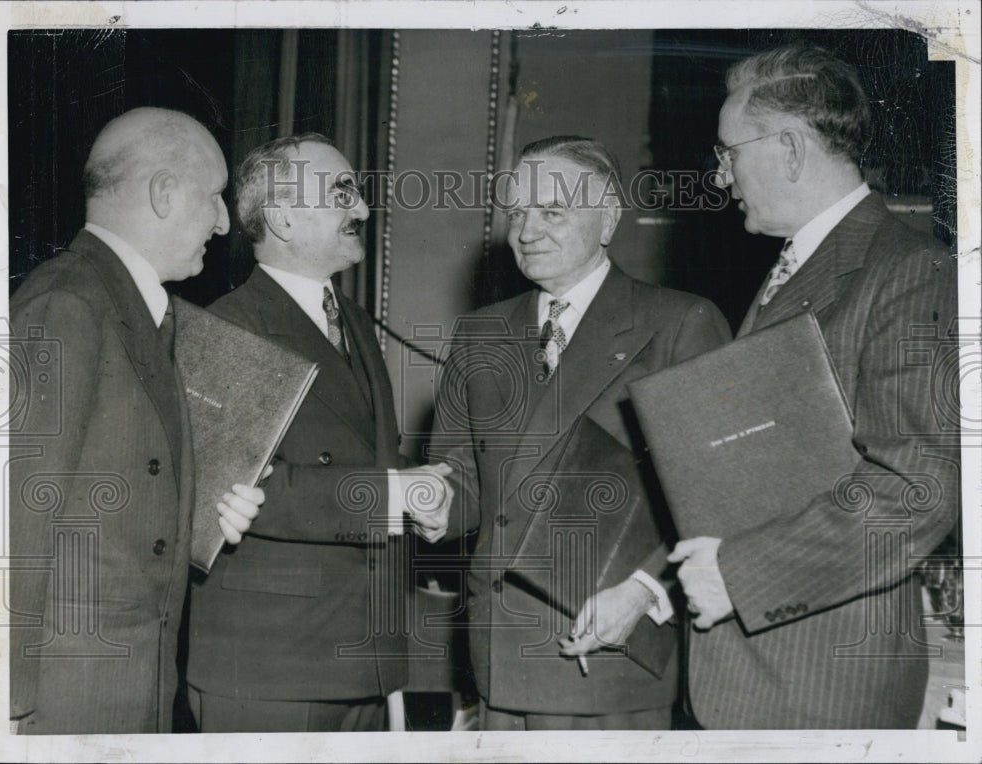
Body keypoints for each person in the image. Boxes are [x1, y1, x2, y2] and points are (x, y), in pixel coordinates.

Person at [668, 44, 960, 729]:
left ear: (791, 150)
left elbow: (916, 490)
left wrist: (738, 575)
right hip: (761, 684)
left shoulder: (910, 272)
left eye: (728, 152)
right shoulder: (801, 269)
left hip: (816, 691)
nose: (719, 177)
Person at [430, 136, 731, 730]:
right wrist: (432, 500)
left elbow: (719, 494)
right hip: (496, 655)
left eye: (552, 211)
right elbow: (464, 482)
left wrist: (646, 589)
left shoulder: (679, 324)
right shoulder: (480, 333)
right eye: (517, 212)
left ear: (609, 218)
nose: (526, 230)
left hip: (605, 650)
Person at [9, 107, 266, 734]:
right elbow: (15, 519)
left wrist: (207, 514)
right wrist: (7, 704)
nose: (225, 220)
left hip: (130, 685)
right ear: (164, 193)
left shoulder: (142, 310)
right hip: (65, 696)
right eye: (215, 197)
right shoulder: (66, 302)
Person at [185, 133, 453, 732]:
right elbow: (235, 492)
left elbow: (363, 451)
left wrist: (421, 496)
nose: (361, 209)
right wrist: (393, 495)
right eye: (342, 193)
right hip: (272, 668)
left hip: (365, 659)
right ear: (281, 217)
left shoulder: (352, 321)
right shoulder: (229, 328)